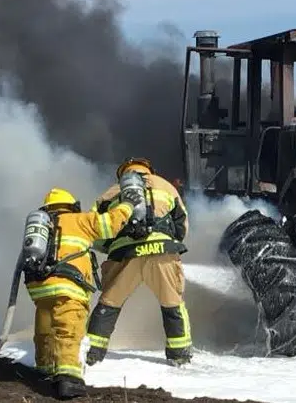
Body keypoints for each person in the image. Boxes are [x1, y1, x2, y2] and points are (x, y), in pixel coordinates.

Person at [24, 186, 142, 400]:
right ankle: (69, 379)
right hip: (68, 285)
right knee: (68, 329)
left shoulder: (45, 225)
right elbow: (110, 224)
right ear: (72, 206)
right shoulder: (79, 219)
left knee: (45, 328)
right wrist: (128, 205)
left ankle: (44, 368)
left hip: (40, 287)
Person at [85, 157, 192, 367]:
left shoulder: (112, 191)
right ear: (149, 170)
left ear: (123, 173)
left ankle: (91, 355)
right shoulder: (166, 186)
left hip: (126, 254)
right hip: (163, 253)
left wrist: (110, 247)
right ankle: (180, 357)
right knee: (173, 305)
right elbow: (182, 224)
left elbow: (94, 228)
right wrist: (169, 243)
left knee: (108, 305)